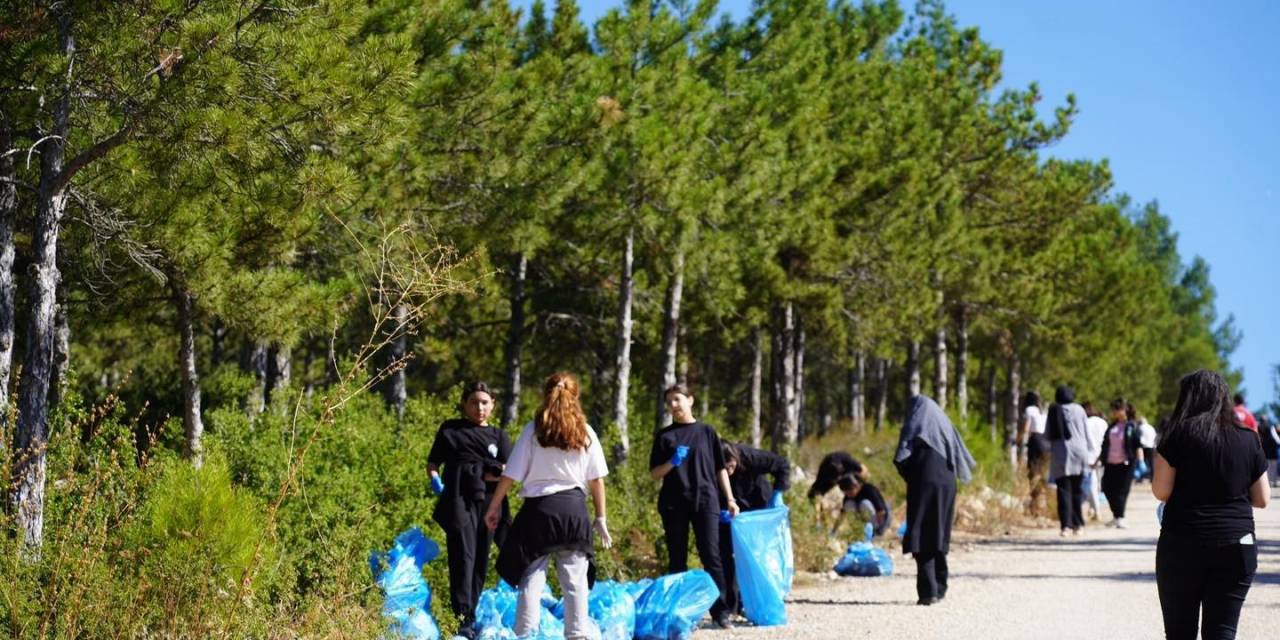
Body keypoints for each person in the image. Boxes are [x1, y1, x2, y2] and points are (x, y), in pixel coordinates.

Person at [484, 372, 610, 640]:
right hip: (574, 511)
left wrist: (494, 506)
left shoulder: (534, 430)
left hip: (539, 512)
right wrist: (601, 517)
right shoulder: (585, 431)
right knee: (575, 582)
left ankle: (526, 634)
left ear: (545, 394)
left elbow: (511, 474)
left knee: (531, 578)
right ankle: (577, 635)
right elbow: (597, 480)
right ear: (576, 396)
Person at [1153, 370, 1269, 640]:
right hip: (1236, 545)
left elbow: (1161, 492)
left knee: (1180, 632)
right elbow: (1262, 499)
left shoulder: (1175, 436)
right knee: (1222, 632)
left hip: (1182, 542)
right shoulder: (1249, 439)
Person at [427, 382, 513, 638]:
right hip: (459, 500)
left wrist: (490, 475)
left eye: (485, 402)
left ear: (493, 405)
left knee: (480, 559)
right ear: (465, 403)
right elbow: (433, 462)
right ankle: (463, 617)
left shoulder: (499, 436)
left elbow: (509, 472)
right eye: (474, 402)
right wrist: (435, 478)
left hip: (489, 503)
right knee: (462, 557)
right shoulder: (451, 430)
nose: (480, 408)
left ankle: (470, 612)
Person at [649, 384, 739, 628]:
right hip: (673, 504)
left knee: (712, 556)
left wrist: (729, 499)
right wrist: (672, 462)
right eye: (669, 402)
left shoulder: (707, 432)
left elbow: (721, 468)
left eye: (677, 399)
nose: (673, 405)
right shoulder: (664, 436)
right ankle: (679, 613)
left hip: (706, 501)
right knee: (677, 560)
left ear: (690, 400)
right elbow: (654, 474)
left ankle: (720, 611)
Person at [894, 394, 976, 606]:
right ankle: (940, 588)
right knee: (939, 532)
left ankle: (927, 591)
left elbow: (901, 457)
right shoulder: (944, 427)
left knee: (921, 533)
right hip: (948, 484)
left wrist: (910, 476)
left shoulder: (916, 425)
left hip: (923, 483)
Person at [719, 441, 790, 616]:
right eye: (723, 468)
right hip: (731, 511)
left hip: (757, 507)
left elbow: (782, 464)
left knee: (755, 554)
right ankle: (732, 605)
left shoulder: (750, 457)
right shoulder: (713, 465)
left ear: (735, 458)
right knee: (727, 554)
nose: (728, 471)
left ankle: (755, 600)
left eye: (730, 465)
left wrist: (778, 492)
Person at [1046, 385, 1093, 535]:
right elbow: (1087, 432)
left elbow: (1047, 434)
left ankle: (1066, 526)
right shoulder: (1079, 409)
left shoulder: (1054, 410)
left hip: (1061, 455)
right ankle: (1079, 525)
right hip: (1080, 454)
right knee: (1077, 491)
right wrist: (1091, 452)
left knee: (1063, 491)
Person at [1099, 398, 1141, 529]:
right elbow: (1105, 443)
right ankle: (1116, 516)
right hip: (1110, 463)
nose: (1114, 412)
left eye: (1117, 409)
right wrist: (1098, 459)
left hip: (1126, 463)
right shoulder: (1112, 426)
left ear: (1125, 410)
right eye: (1113, 409)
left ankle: (1121, 517)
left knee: (1121, 491)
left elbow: (1137, 445)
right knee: (1106, 488)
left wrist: (1140, 462)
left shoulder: (1132, 425)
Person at [1017, 391, 1050, 517]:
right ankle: (1043, 504)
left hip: (1035, 441)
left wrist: (1018, 439)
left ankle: (1035, 506)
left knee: (1033, 473)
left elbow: (1026, 427)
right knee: (1043, 474)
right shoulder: (1043, 411)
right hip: (1046, 442)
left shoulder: (1030, 410)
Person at [834, 474, 892, 538]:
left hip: (881, 522)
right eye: (846, 492)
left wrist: (879, 530)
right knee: (848, 504)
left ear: (856, 486)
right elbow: (842, 515)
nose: (848, 494)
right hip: (864, 524)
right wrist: (834, 531)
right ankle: (859, 530)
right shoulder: (848, 497)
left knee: (864, 503)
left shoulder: (869, 490)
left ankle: (873, 531)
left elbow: (882, 512)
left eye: (850, 491)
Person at [1082, 403, 1109, 521]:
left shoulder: (1086, 422)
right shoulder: (1103, 422)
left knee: (1091, 484)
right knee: (1098, 483)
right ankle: (1094, 509)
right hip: (1102, 456)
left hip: (1090, 456)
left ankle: (1095, 510)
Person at [1137, 414, 1158, 483]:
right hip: (1151, 446)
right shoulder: (1151, 427)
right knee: (1151, 463)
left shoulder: (1140, 427)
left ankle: (1141, 478)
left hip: (1143, 447)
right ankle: (1152, 478)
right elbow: (1155, 436)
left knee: (1142, 462)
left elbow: (1138, 437)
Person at [1261, 413, 1280, 487]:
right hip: (1272, 449)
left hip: (1263, 449)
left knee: (1267, 466)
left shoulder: (1258, 426)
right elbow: (1275, 438)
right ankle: (1273, 481)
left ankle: (1268, 481)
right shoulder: (1270, 427)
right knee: (1274, 466)